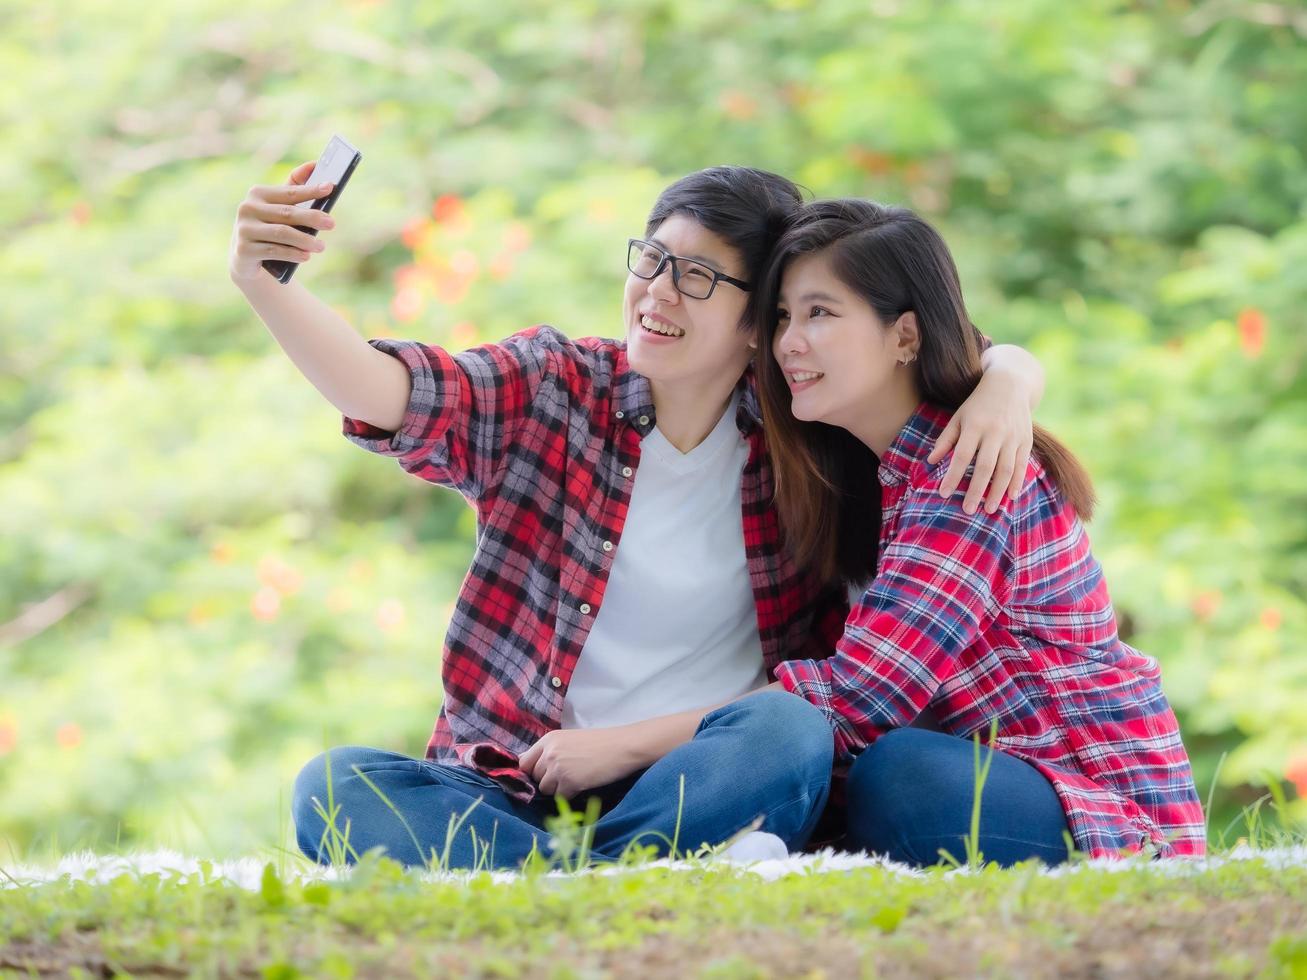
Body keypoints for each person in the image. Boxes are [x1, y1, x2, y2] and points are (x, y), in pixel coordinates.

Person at [228, 164, 1046, 869]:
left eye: (695, 277)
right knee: (333, 787)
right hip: (519, 782)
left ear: (759, 323)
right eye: (650, 259)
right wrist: (263, 282)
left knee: (790, 732)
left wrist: (1010, 372)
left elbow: (918, 353)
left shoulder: (813, 440)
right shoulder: (554, 389)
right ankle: (615, 876)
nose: (656, 291)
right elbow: (390, 391)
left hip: (704, 782)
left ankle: (566, 881)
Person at [754, 198, 1207, 866]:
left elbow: (864, 691)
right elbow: (990, 355)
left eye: (819, 312)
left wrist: (629, 744)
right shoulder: (871, 470)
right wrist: (1009, 375)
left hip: (1109, 816)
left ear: (905, 336)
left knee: (898, 772)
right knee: (866, 772)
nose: (788, 340)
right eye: (784, 316)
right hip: (994, 775)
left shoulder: (965, 467)